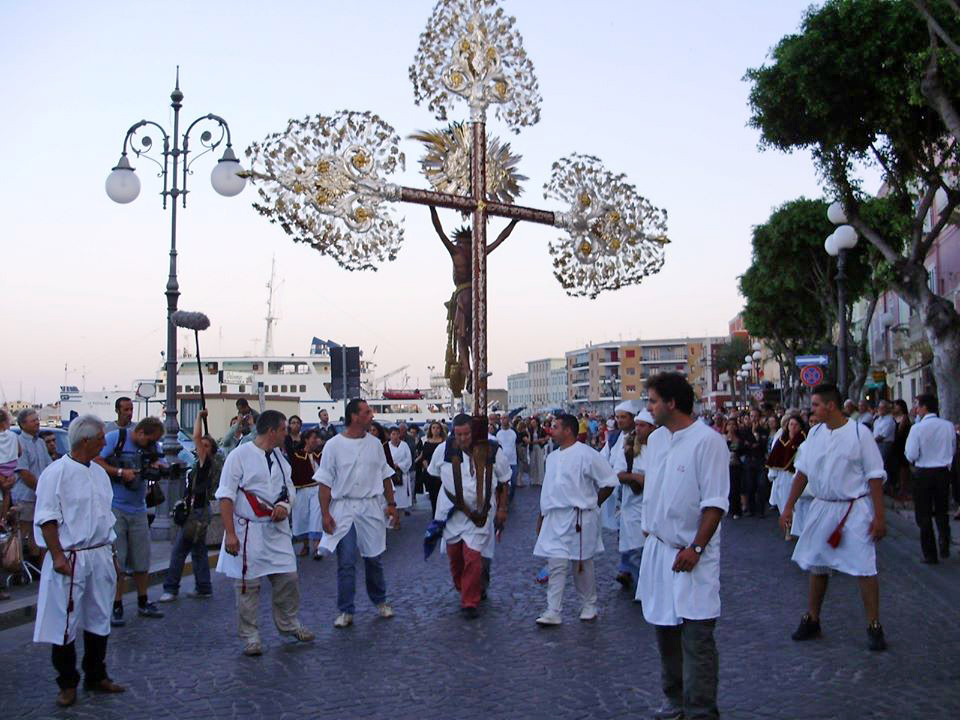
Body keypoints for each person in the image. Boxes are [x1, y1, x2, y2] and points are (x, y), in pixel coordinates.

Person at [637, 373, 728, 720]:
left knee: (696, 636)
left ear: (671, 403)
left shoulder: (708, 442)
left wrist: (697, 549)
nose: (649, 407)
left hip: (693, 554)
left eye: (653, 400)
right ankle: (675, 702)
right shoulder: (658, 440)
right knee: (666, 634)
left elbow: (715, 503)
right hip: (660, 551)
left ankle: (701, 710)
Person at [779, 384, 888, 651]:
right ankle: (813, 619)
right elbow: (801, 473)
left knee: (864, 567)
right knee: (817, 566)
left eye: (815, 405)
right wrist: (788, 506)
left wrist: (879, 517)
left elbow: (874, 477)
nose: (811, 410)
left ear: (830, 406)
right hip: (823, 507)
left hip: (855, 508)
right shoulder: (814, 434)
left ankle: (874, 625)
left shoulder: (859, 433)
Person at [32, 415, 125, 707]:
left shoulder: (98, 472)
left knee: (99, 616)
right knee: (65, 621)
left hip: (99, 553)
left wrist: (112, 556)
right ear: (85, 440)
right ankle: (67, 682)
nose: (104, 441)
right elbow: (47, 518)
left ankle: (96, 675)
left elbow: (103, 517)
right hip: (71, 555)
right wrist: (58, 556)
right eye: (100, 437)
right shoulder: (55, 473)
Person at [215, 410, 314, 656]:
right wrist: (230, 535)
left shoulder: (280, 457)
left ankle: (289, 624)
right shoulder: (239, 456)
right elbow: (225, 496)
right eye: (283, 429)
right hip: (249, 530)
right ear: (272, 431)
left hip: (276, 530)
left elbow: (288, 488)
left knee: (288, 578)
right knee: (248, 586)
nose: (286, 434)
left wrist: (284, 505)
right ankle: (251, 636)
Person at [315, 399, 399, 628]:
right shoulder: (333, 446)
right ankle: (346, 610)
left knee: (373, 558)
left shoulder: (375, 445)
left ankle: (380, 600)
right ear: (354, 416)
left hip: (370, 507)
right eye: (367, 412)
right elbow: (324, 482)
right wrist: (325, 514)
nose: (371, 415)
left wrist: (392, 504)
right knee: (347, 559)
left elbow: (385, 476)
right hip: (344, 508)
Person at [533, 413, 618, 626]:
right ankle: (553, 610)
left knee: (582, 563)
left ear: (568, 430)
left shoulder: (587, 454)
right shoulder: (552, 457)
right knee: (555, 564)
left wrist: (593, 503)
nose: (552, 430)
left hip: (580, 517)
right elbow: (549, 489)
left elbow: (609, 481)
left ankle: (588, 605)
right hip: (554, 517)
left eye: (556, 427)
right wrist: (541, 515)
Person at [428, 414, 510, 618]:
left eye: (466, 434)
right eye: (458, 434)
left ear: (473, 432)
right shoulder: (443, 451)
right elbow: (434, 474)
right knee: (455, 557)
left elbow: (504, 481)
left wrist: (502, 509)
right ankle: (464, 587)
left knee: (473, 557)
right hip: (452, 514)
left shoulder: (492, 450)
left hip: (480, 515)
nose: (463, 438)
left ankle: (469, 601)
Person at [93, 416, 165, 626]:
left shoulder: (151, 446)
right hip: (116, 507)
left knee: (142, 558)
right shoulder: (117, 438)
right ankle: (116, 605)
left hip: (139, 508)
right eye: (150, 439)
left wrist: (158, 465)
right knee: (119, 560)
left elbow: (160, 461)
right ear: (141, 433)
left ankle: (143, 600)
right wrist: (120, 472)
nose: (152, 444)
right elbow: (97, 461)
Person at [159, 409, 217, 602]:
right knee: (198, 550)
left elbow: (196, 436)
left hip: (196, 511)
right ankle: (203, 586)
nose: (201, 446)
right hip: (200, 509)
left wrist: (199, 416)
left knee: (179, 550)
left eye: (206, 445)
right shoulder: (206, 464)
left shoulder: (205, 463)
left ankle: (171, 588)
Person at [904, 393, 956, 563]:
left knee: (924, 514)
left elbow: (911, 454)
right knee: (942, 510)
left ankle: (930, 553)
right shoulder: (948, 426)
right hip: (943, 472)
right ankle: (944, 540)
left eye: (917, 405)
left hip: (924, 472)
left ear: (924, 407)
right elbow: (953, 449)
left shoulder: (917, 428)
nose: (915, 409)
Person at [613, 409, 656, 591]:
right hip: (633, 506)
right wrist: (635, 478)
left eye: (642, 425)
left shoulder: (661, 449)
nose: (638, 429)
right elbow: (618, 473)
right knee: (636, 552)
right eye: (637, 425)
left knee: (651, 552)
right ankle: (643, 590)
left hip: (654, 507)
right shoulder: (629, 450)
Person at [14, 408, 53, 561]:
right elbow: (24, 473)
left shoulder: (41, 443)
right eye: (33, 420)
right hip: (26, 496)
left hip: (41, 496)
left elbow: (48, 468)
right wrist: (41, 490)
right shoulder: (19, 443)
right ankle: (19, 566)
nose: (37, 423)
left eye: (37, 419)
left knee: (40, 533)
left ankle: (38, 566)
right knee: (24, 532)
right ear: (23, 424)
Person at [289, 428, 324, 559]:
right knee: (302, 517)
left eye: (317, 438)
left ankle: (317, 547)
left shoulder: (319, 455)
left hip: (317, 489)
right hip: (302, 490)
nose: (316, 441)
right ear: (306, 440)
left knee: (316, 516)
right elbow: (293, 475)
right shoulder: (297, 456)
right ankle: (305, 544)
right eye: (314, 438)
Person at [766, 415, 806, 516]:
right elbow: (774, 458)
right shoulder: (781, 440)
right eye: (791, 424)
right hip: (782, 476)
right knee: (783, 503)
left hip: (795, 475)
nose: (793, 427)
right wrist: (772, 474)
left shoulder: (803, 440)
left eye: (796, 424)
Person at [418, 421, 446, 515]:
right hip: (429, 473)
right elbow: (424, 458)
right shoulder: (427, 442)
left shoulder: (444, 443)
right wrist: (429, 468)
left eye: (437, 428)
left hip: (441, 473)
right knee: (433, 496)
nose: (435, 430)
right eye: (433, 428)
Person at [495, 414, 519, 501]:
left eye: (505, 418)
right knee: (501, 482)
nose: (503, 420)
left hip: (513, 461)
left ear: (508, 419)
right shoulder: (497, 432)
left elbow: (518, 444)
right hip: (502, 462)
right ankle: (502, 500)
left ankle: (510, 499)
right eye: (502, 418)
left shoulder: (514, 432)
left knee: (513, 482)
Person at [526, 416, 547, 486]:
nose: (533, 424)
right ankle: (533, 480)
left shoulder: (541, 429)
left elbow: (546, 437)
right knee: (533, 463)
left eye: (534, 422)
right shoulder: (529, 430)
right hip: (532, 447)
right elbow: (530, 441)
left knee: (540, 462)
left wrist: (543, 441)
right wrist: (539, 440)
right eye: (532, 422)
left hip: (539, 447)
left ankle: (540, 479)